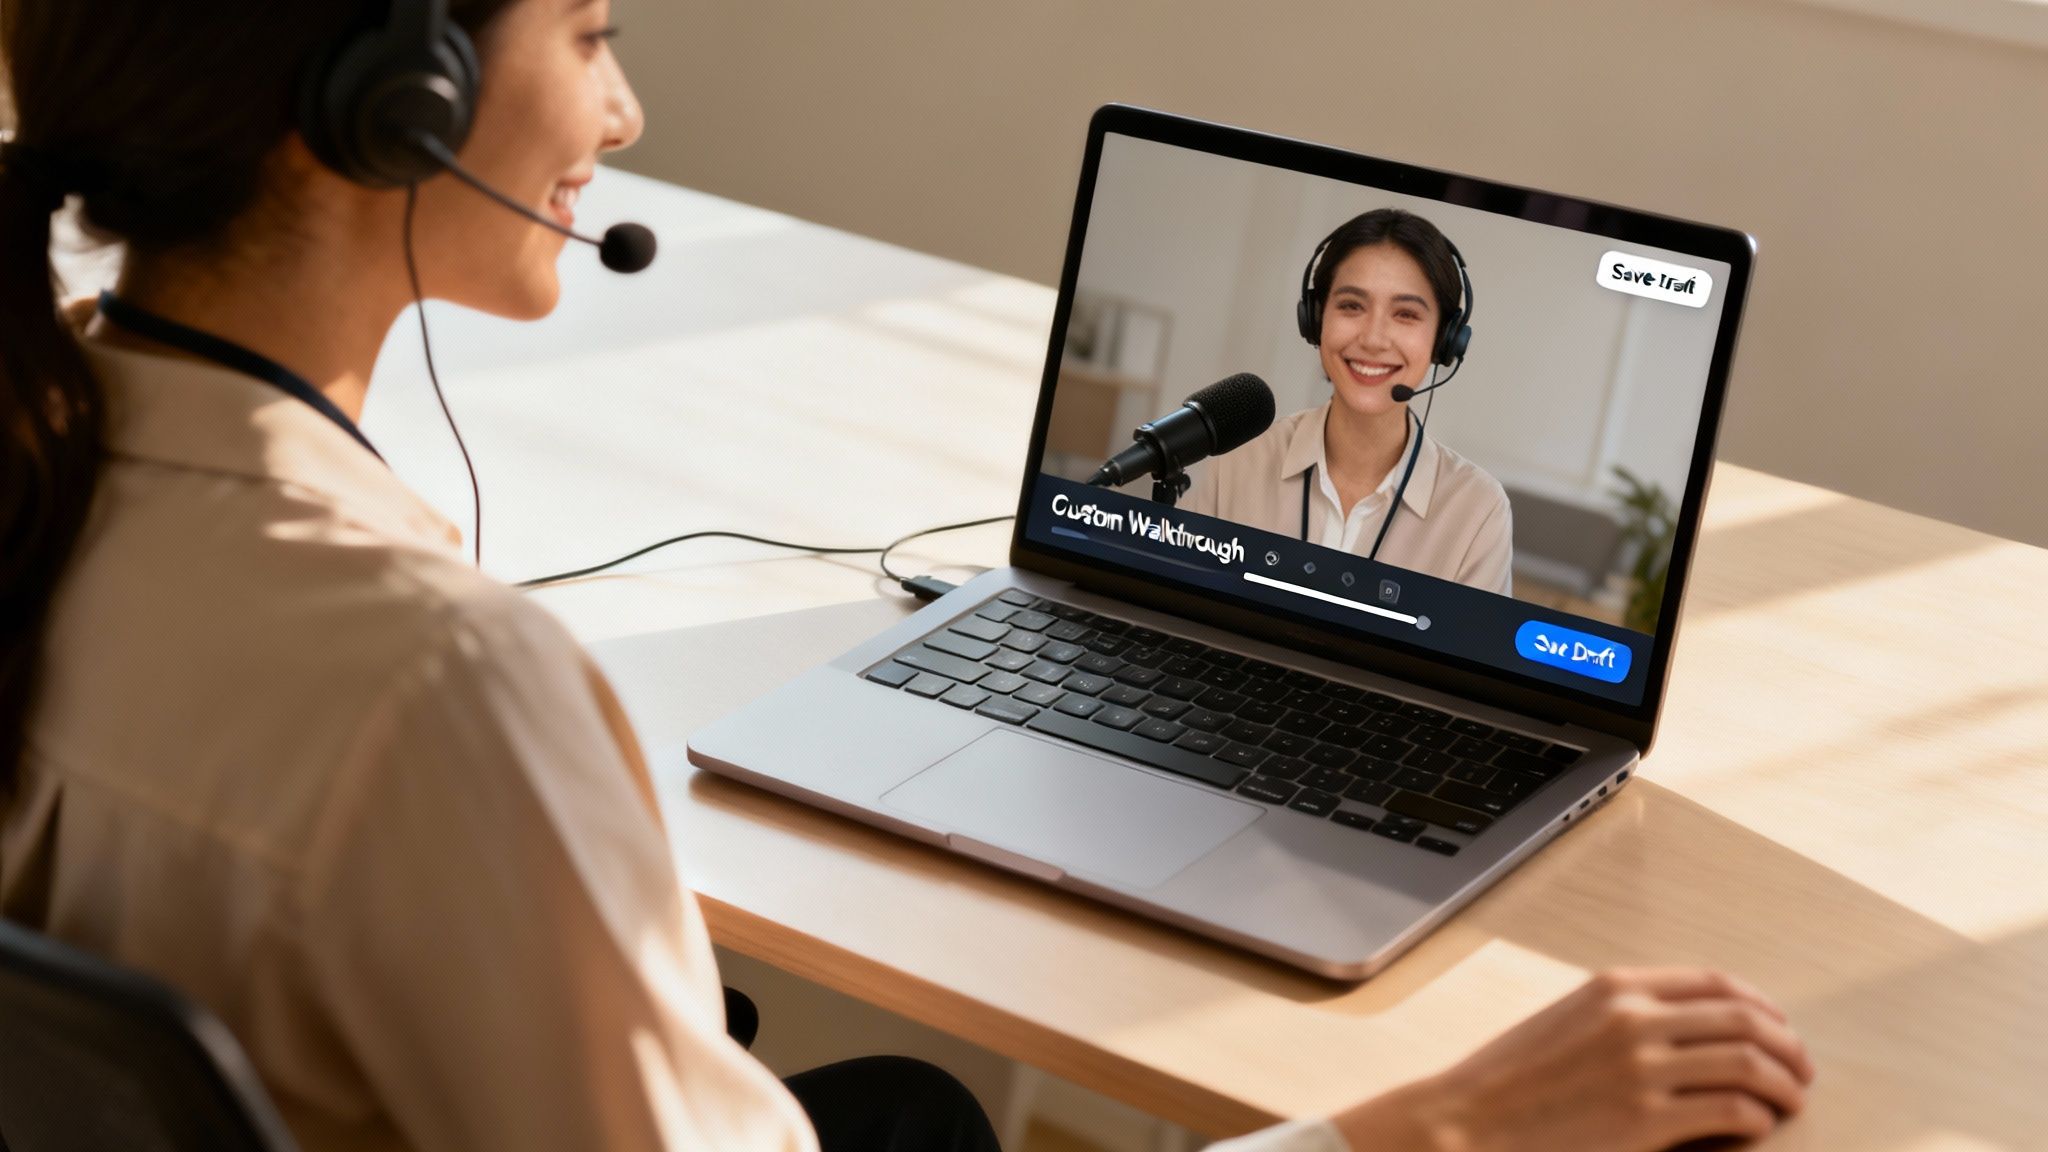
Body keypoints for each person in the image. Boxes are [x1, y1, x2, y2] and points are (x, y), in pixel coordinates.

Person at [0, 2, 1812, 1150]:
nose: (621, 113)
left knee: (900, 1104)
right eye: (589, 30)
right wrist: (1447, 1124)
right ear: (390, 105)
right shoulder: (435, 686)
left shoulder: (43, 468)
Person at [1182, 210, 1515, 595]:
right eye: (1352, 306)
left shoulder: (1477, 511)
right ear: (1316, 319)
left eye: (1406, 314)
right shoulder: (1240, 461)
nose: (1373, 339)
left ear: (1444, 340)